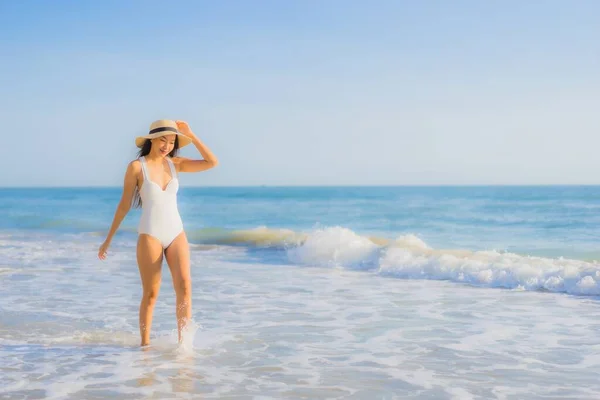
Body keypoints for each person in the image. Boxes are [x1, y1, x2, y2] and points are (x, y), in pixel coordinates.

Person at [98, 119, 218, 346]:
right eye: (163, 140)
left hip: (176, 233)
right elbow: (124, 205)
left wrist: (191, 134)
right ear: (152, 140)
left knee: (185, 286)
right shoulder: (136, 167)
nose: (167, 146)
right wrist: (108, 240)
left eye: (172, 142)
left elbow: (212, 162)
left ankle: (185, 345)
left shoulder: (176, 164)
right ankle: (145, 346)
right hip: (150, 234)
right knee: (151, 294)